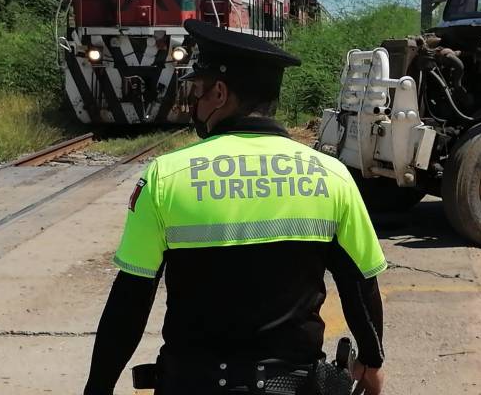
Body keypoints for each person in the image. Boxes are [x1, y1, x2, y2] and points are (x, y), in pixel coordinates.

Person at [83, 20, 387, 395]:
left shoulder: (166, 176)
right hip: (292, 385)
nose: (194, 101)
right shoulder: (331, 176)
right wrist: (371, 360)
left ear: (221, 94)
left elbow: (131, 298)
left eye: (198, 90)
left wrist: (98, 386)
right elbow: (359, 284)